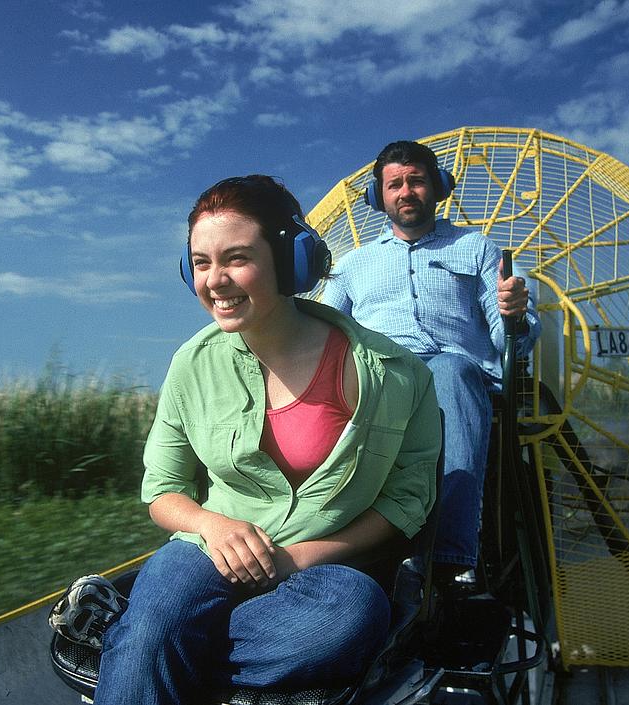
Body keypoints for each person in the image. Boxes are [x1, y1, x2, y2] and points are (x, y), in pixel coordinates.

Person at [89, 175, 442, 704]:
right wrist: (213, 524)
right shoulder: (192, 363)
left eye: (235, 258)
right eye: (201, 263)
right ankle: (149, 640)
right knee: (157, 618)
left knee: (354, 614)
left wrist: (297, 558)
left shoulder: (397, 374)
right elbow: (162, 490)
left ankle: (143, 647)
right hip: (206, 552)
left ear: (291, 260)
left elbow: (407, 502)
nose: (215, 280)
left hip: (322, 574)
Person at [321, 140, 540, 584]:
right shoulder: (352, 266)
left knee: (451, 371)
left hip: (455, 372)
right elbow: (326, 337)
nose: (406, 191)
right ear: (378, 196)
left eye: (416, 181)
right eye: (394, 184)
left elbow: (509, 341)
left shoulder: (476, 248)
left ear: (436, 188)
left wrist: (514, 316)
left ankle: (450, 557)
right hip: (381, 376)